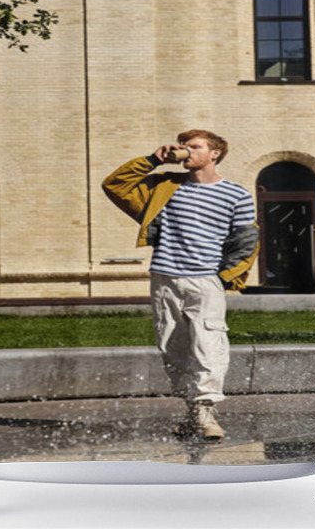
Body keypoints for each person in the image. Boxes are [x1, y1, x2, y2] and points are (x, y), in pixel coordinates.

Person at [102, 130, 259, 442]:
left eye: (195, 146)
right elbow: (114, 185)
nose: (186, 150)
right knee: (173, 348)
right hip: (164, 279)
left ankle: (206, 412)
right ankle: (194, 413)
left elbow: (246, 242)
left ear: (214, 154)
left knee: (208, 345)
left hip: (205, 281)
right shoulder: (164, 187)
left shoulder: (236, 195)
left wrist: (223, 278)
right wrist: (152, 161)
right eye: (184, 145)